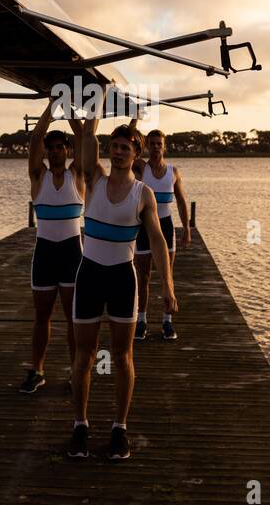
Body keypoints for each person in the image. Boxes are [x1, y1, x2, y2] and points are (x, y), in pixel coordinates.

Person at [68, 114, 177, 460]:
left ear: (136, 153)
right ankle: (80, 426)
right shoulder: (94, 179)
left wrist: (168, 288)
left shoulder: (143, 194)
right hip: (88, 275)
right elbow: (87, 144)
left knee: (122, 357)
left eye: (124, 148)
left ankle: (119, 428)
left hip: (121, 279)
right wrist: (95, 105)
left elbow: (158, 241)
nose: (117, 152)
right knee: (83, 356)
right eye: (113, 146)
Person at [20, 99, 85, 393]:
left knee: (74, 318)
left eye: (61, 147)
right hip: (44, 254)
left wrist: (69, 107)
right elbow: (35, 137)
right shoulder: (38, 175)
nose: (56, 151)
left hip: (72, 254)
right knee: (41, 318)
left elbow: (84, 137)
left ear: (68, 151)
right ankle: (37, 371)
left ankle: (76, 372)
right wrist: (52, 104)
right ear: (47, 151)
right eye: (52, 147)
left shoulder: (78, 175)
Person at [133, 130, 190, 341]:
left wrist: (187, 229)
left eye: (159, 144)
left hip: (166, 226)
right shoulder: (140, 167)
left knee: (168, 276)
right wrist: (135, 118)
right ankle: (141, 320)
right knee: (144, 276)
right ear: (147, 146)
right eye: (152, 144)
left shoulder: (173, 171)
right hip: (144, 226)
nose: (156, 147)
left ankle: (167, 322)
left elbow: (182, 201)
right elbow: (129, 139)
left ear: (164, 146)